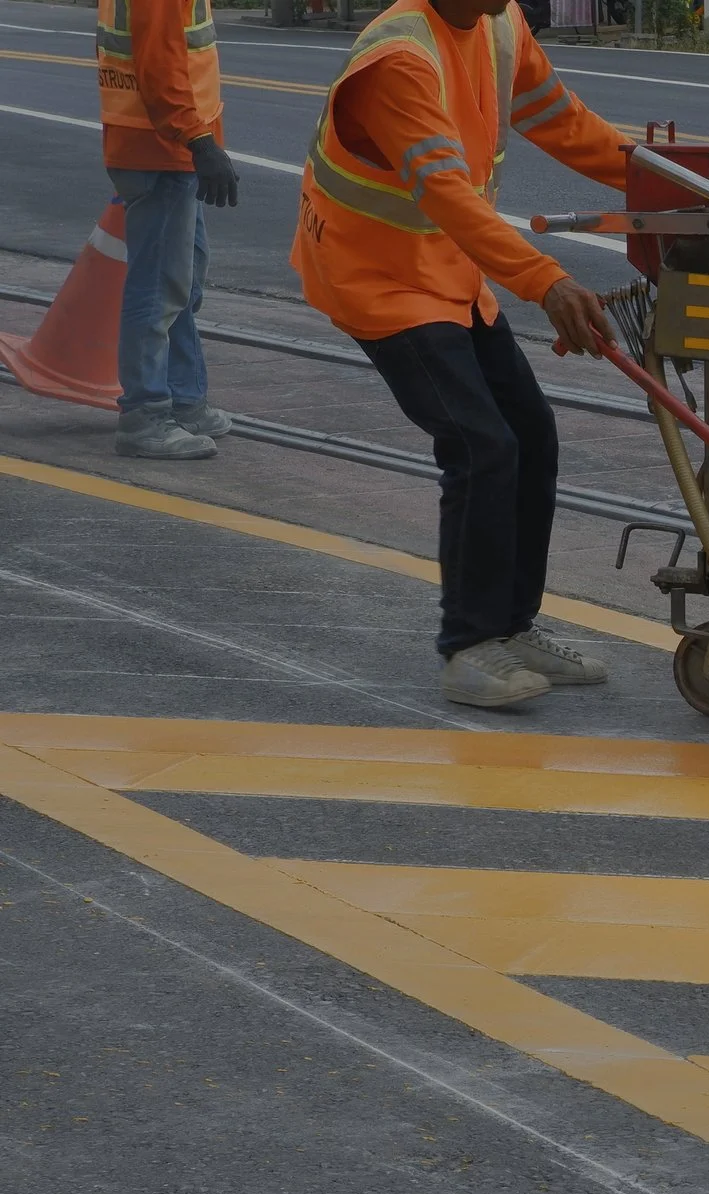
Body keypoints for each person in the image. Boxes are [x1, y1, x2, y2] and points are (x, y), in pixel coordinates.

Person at [292, 0, 627, 709]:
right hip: (377, 278)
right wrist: (547, 281)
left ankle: (512, 626)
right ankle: (469, 648)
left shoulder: (499, 23)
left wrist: (669, 178)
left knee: (530, 435)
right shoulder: (399, 58)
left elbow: (560, 117)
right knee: (481, 445)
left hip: (448, 270)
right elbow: (444, 190)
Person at [97, 0, 237, 461]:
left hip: (162, 147)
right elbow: (159, 61)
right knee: (159, 289)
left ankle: (183, 399)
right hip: (161, 149)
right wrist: (199, 140)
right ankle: (145, 416)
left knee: (182, 283)